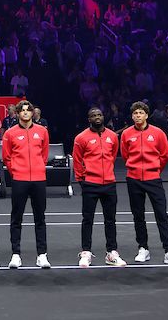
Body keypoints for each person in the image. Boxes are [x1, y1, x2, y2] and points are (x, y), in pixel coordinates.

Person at [120, 102, 168, 264]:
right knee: (138, 215)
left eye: (141, 113)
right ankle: (143, 248)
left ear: (146, 115)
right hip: (133, 179)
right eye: (135, 113)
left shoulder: (158, 133)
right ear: (132, 116)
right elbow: (125, 155)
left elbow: (165, 153)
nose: (138, 115)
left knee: (161, 214)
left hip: (153, 178)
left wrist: (154, 169)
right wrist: (135, 168)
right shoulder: (126, 134)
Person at [72, 107, 126, 267]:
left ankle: (112, 253)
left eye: (99, 115)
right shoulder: (81, 138)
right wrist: (82, 179)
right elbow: (77, 160)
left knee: (110, 220)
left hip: (109, 183)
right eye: (93, 115)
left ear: (103, 117)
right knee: (87, 219)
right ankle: (86, 252)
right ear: (89, 119)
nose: (97, 117)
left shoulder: (112, 136)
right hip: (90, 183)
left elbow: (113, 155)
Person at [1, 100, 50, 268]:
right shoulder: (10, 133)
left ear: (32, 113)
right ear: (18, 113)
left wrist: (38, 168)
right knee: (16, 217)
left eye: (28, 110)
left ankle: (42, 254)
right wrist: (16, 171)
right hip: (19, 179)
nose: (25, 113)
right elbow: (7, 157)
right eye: (22, 111)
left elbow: (44, 154)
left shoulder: (42, 131)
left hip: (38, 179)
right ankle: (16, 254)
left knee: (40, 218)